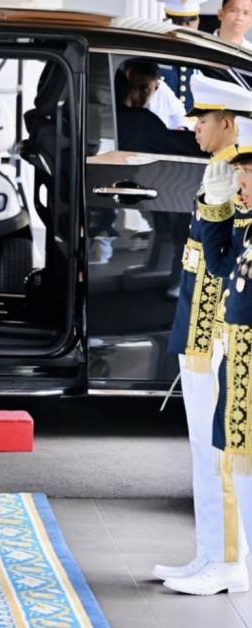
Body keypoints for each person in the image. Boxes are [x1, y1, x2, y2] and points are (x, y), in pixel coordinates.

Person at [158, 75, 252, 595]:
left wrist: (219, 338)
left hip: (221, 333)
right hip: (196, 330)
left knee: (223, 451)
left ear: (230, 123)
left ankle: (230, 561)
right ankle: (209, 552)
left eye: (204, 119)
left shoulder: (241, 173)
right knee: (201, 450)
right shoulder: (221, 169)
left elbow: (228, 266)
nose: (194, 126)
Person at [207, 116, 252, 598]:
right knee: (233, 463)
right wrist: (215, 208)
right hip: (240, 361)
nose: (239, 181)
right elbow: (219, 265)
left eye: (246, 174)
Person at [115, 61, 204, 158]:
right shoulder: (140, 118)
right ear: (124, 83)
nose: (136, 95)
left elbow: (180, 119)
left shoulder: (163, 93)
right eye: (132, 87)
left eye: (143, 90)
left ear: (156, 87)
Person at [149, 0, 205, 129]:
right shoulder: (154, 54)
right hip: (160, 129)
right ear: (166, 21)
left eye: (188, 23)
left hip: (195, 131)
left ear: (197, 22)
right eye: (177, 22)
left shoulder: (205, 55)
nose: (183, 28)